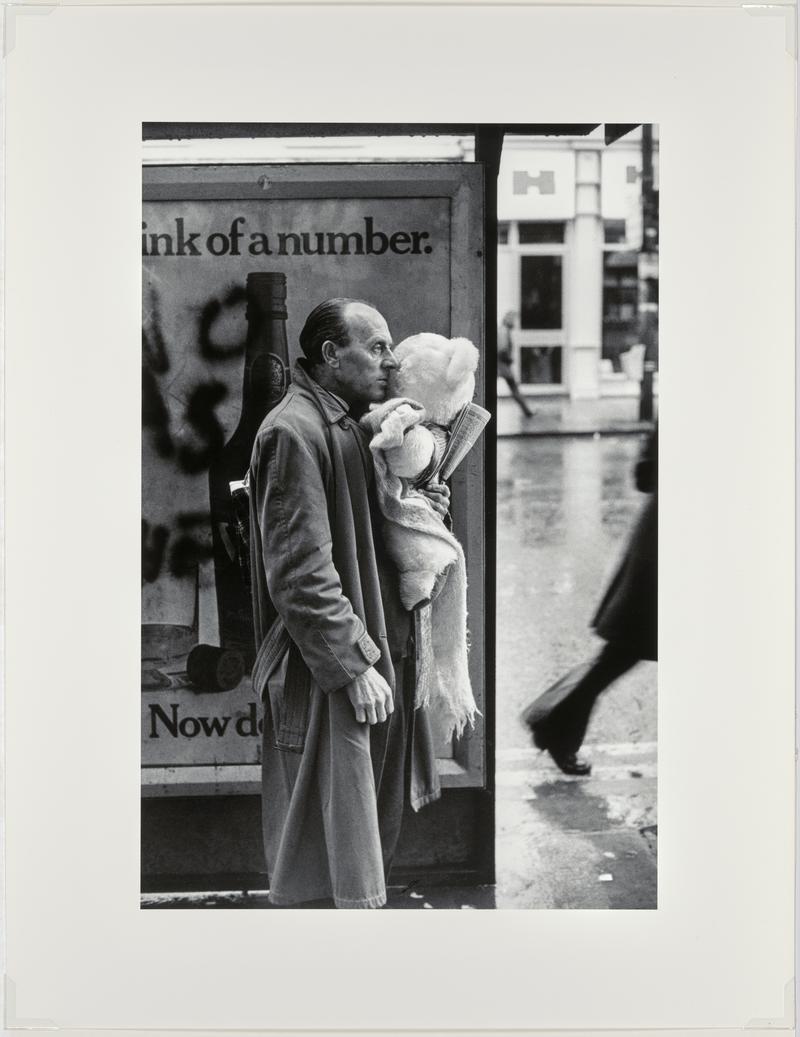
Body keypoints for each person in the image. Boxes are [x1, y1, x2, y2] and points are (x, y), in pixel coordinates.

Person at [248, 298, 447, 908]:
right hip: (328, 675)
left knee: (353, 844)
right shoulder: (293, 431)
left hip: (362, 658)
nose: (389, 361)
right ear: (332, 355)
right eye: (378, 346)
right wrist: (354, 664)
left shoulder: (340, 424)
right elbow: (300, 570)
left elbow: (358, 532)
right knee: (327, 858)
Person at [521, 426, 658, 775]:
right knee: (622, 652)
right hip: (671, 544)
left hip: (668, 538)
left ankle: (553, 720)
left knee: (620, 653)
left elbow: (645, 474)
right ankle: (553, 720)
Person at [498, 310, 534, 417]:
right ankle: (527, 411)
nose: (515, 323)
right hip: (502, 366)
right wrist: (509, 359)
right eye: (513, 320)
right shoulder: (503, 331)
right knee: (514, 388)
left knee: (514, 388)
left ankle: (527, 411)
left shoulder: (503, 331)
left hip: (502, 365)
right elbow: (502, 348)